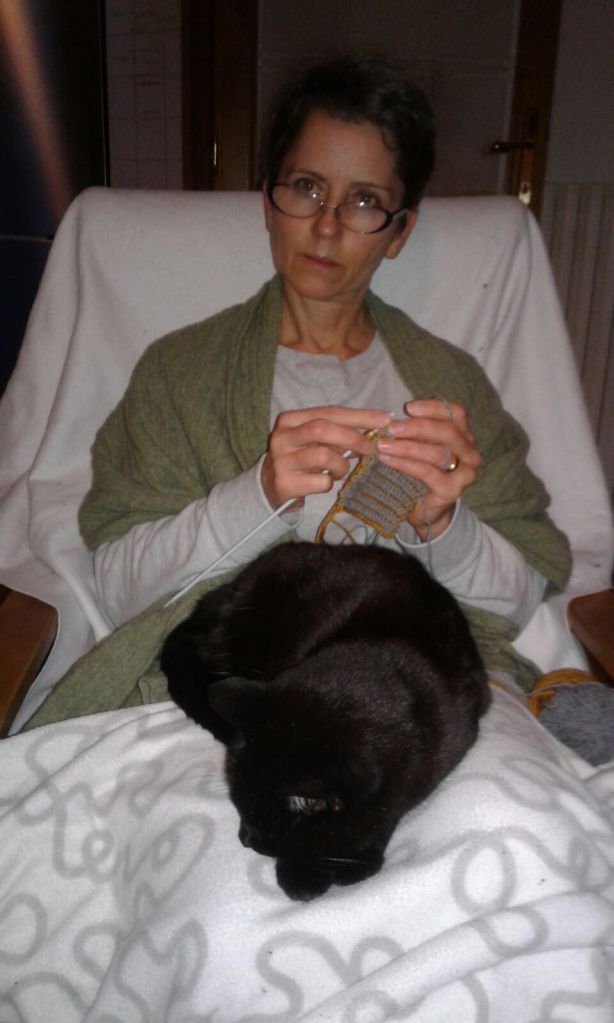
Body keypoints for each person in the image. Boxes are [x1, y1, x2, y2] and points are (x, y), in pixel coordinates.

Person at [25, 55, 571, 728]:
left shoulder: (451, 388)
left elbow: (517, 603)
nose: (327, 225)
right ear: (268, 201)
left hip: (422, 697)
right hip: (222, 702)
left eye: (364, 200)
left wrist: (442, 526)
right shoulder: (179, 375)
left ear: (399, 231)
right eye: (307, 187)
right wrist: (258, 495)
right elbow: (116, 592)